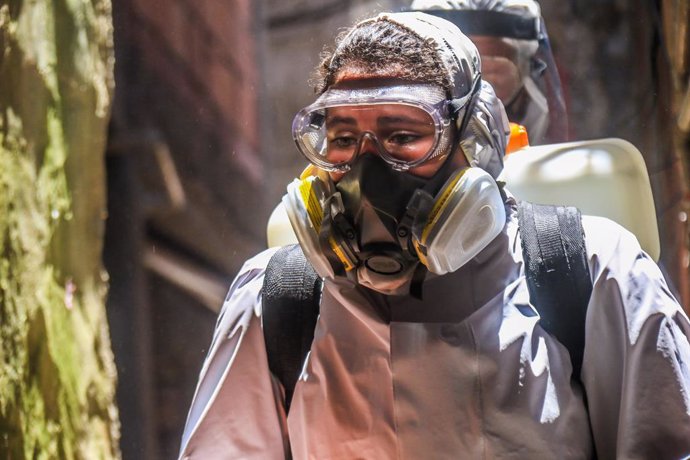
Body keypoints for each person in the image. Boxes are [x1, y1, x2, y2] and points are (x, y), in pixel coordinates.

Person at [178, 11, 690, 459]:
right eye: (341, 140)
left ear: (475, 145)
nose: (366, 170)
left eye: (404, 137)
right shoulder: (276, 297)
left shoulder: (592, 268)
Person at [410, 0, 568, 145]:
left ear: (524, 70)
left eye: (493, 71)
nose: (478, 96)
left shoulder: (532, 111)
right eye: (456, 71)